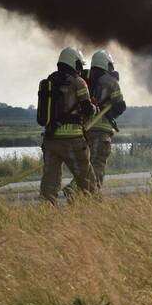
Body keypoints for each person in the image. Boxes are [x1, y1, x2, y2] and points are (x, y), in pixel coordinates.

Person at [36, 47, 98, 204]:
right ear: (73, 62)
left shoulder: (49, 82)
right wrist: (95, 108)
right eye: (79, 64)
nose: (81, 68)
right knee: (86, 179)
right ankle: (97, 211)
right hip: (73, 140)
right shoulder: (78, 82)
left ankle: (46, 211)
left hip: (50, 140)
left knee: (49, 182)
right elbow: (87, 109)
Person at [84, 49, 127, 187]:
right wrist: (111, 112)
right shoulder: (111, 81)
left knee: (86, 164)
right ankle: (85, 191)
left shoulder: (82, 78)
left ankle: (80, 193)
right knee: (98, 164)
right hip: (101, 130)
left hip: (83, 129)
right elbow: (120, 106)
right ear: (106, 64)